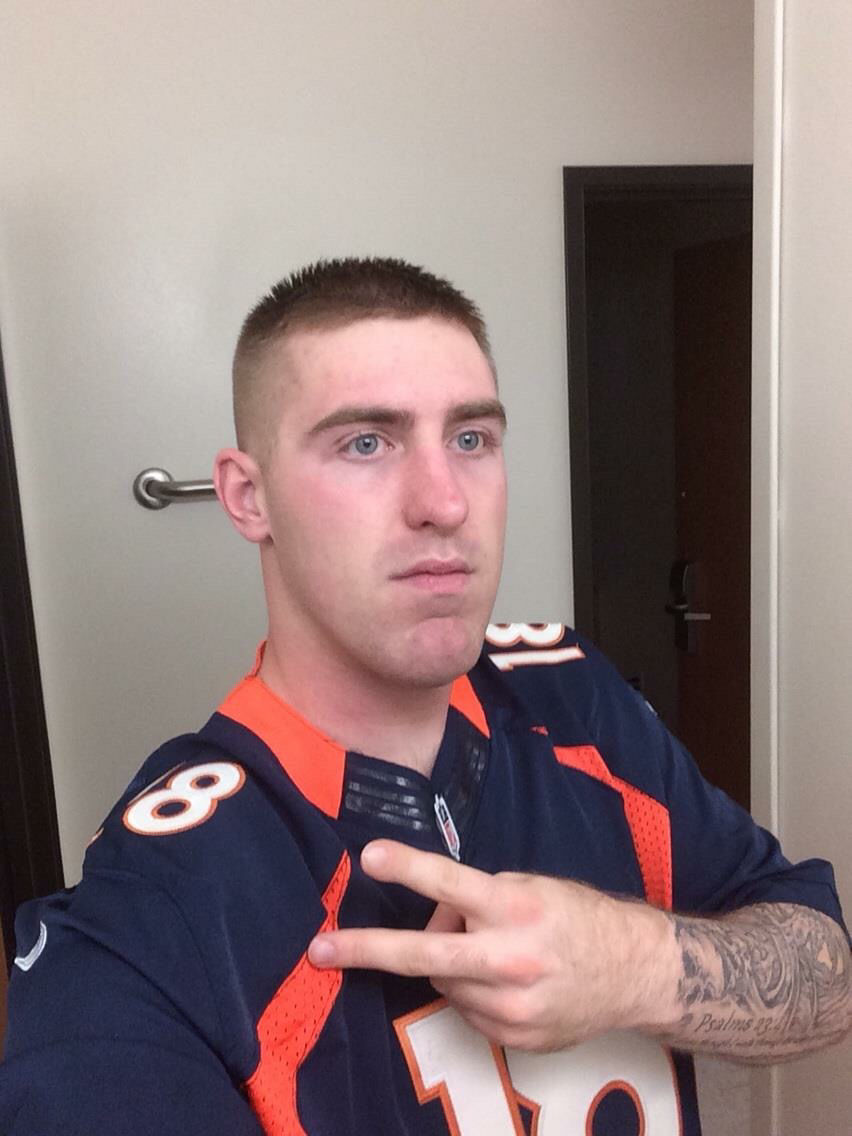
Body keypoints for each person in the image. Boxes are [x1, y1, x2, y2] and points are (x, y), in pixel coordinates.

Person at [1, 257, 849, 1135]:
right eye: (366, 443)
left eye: (471, 439)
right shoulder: (166, 896)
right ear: (248, 497)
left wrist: (636, 965)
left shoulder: (572, 696)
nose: (444, 502)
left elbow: (826, 973)